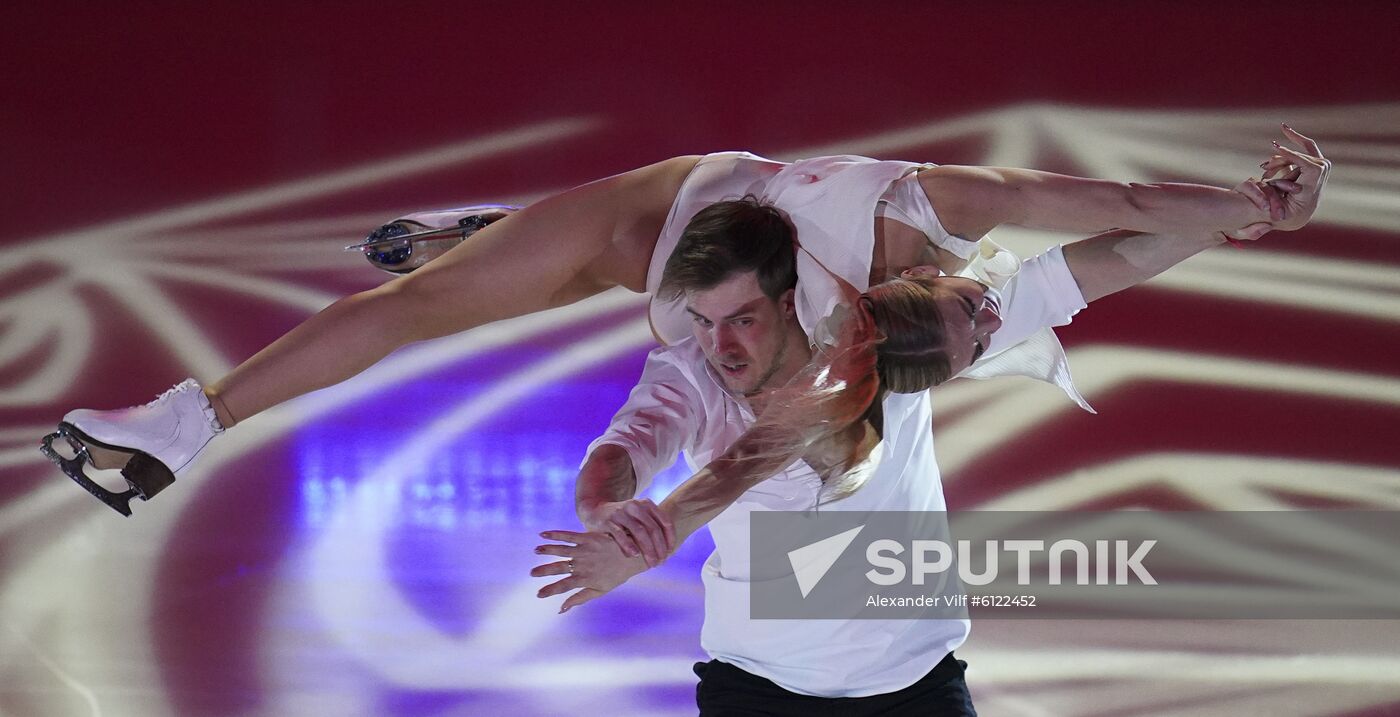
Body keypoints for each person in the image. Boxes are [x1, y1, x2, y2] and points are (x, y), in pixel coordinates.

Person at [41, 126, 1326, 515]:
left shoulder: (817, 375)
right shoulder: (942, 214)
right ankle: (184, 421)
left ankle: (485, 236)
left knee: (450, 298)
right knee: (421, 302)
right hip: (663, 208)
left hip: (646, 254)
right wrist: (1254, 208)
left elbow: (726, 450)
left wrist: (633, 513)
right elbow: (1112, 206)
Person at [527, 137, 1329, 714]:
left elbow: (1117, 254)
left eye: (739, 318)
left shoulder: (911, 335)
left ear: (781, 301)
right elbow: (623, 455)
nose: (718, 344)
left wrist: (1242, 216)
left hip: (916, 690)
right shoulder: (697, 376)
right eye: (706, 321)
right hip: (757, 691)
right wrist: (612, 515)